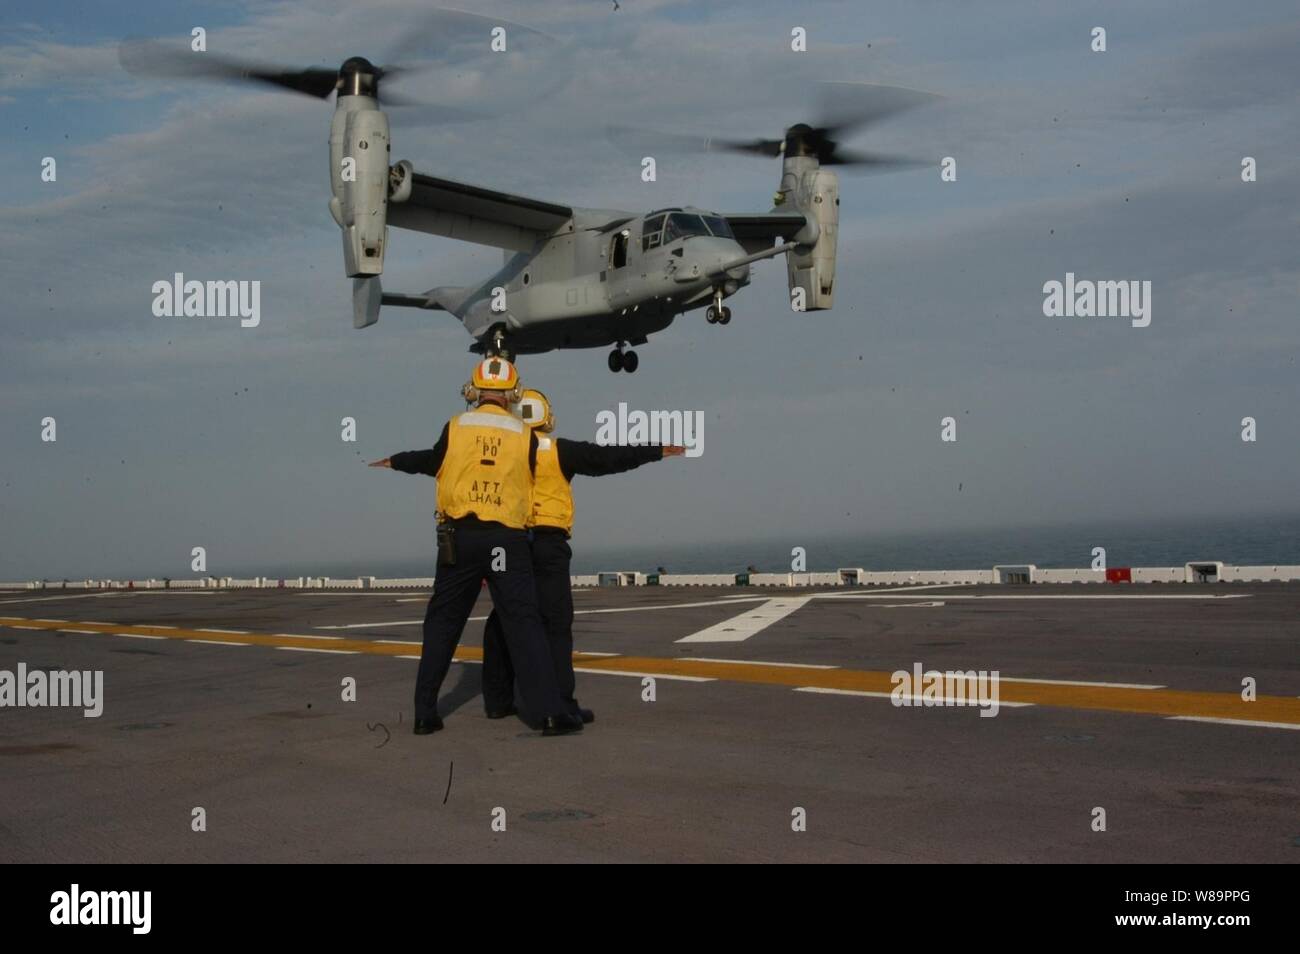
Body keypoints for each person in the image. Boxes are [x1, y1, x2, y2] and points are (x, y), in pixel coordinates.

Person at [368, 358, 583, 737]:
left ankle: (424, 714)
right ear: (513, 393)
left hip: (459, 538)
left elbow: (433, 462)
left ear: (473, 389)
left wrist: (397, 461)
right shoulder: (524, 435)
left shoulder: (456, 426)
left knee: (442, 624)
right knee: (524, 624)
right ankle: (550, 714)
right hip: (505, 541)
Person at [481, 388, 685, 723]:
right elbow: (607, 458)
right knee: (556, 624)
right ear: (547, 417)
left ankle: (498, 701)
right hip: (548, 544)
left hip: (509, 543)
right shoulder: (559, 451)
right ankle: (561, 701)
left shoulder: (501, 453)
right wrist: (656, 451)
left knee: (503, 620)